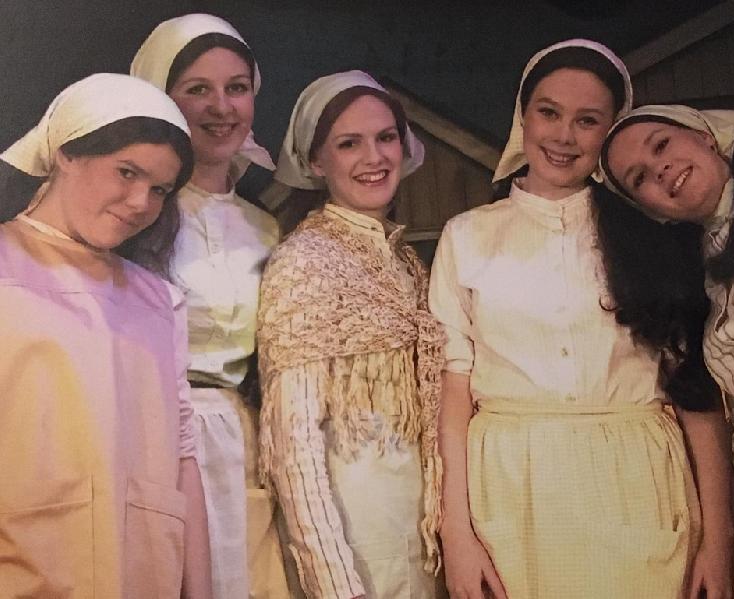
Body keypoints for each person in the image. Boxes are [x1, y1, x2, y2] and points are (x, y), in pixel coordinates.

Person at [429, 40, 734, 599]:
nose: (564, 136)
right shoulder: (466, 236)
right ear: (523, 117)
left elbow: (698, 397)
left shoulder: (654, 234)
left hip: (640, 489)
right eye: (549, 112)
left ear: (610, 131)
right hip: (511, 495)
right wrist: (457, 534)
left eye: (587, 120)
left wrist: (719, 544)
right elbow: (452, 402)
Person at [0, 73, 211, 598]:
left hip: (142, 571)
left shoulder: (158, 301)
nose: (141, 202)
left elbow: (182, 458)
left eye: (159, 189)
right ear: (67, 154)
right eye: (127, 172)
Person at [256, 70, 444, 599]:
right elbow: (293, 443)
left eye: (386, 137)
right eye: (349, 143)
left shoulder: (407, 264)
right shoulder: (304, 262)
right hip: (355, 540)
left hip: (422, 535)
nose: (374, 157)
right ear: (317, 161)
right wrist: (335, 581)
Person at [600, 103, 734, 598]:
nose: (660, 169)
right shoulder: (698, 287)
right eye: (639, 178)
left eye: (661, 145)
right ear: (651, 212)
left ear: (706, 137)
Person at [131, 14, 287, 598]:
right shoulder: (133, 218)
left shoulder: (267, 228)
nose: (221, 106)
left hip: (241, 440)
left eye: (236, 88)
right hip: (150, 433)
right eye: (198, 88)